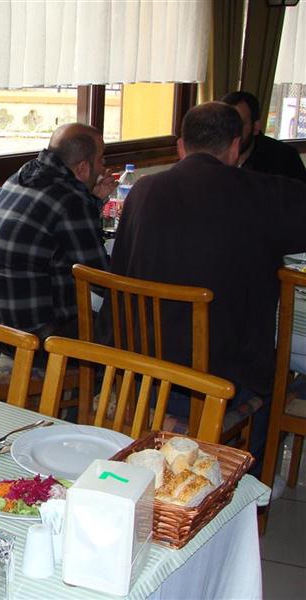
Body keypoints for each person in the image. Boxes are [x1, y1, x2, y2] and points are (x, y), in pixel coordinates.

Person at [111, 101, 306, 464]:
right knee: (277, 380)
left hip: (144, 371)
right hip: (221, 382)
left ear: (181, 147)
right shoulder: (266, 193)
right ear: (235, 147)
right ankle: (245, 477)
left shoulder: (142, 192)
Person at [0, 123, 115, 342]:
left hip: (0, 326)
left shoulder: (23, 176)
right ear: (82, 168)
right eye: (101, 160)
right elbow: (102, 279)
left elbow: (57, 229)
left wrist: (93, 200)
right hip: (43, 335)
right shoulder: (70, 199)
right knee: (136, 324)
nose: (103, 167)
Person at [221, 90, 306, 183]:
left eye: (239, 124)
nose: (230, 131)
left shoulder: (285, 158)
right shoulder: (213, 155)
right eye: (224, 124)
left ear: (256, 127)